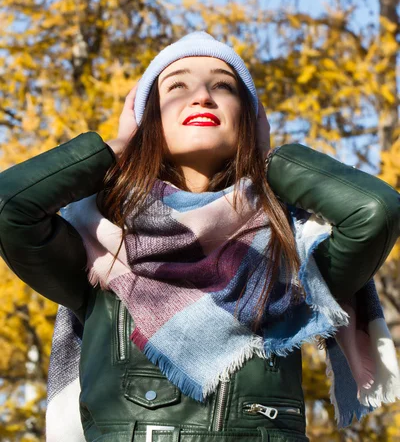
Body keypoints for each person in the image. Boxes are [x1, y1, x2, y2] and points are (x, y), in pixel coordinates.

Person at [0, 31, 399, 442]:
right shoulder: (99, 243)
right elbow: (10, 207)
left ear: (248, 119)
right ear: (147, 120)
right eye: (177, 86)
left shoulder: (292, 250)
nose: (203, 96)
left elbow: (375, 212)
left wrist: (268, 161)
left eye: (223, 86)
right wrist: (118, 147)